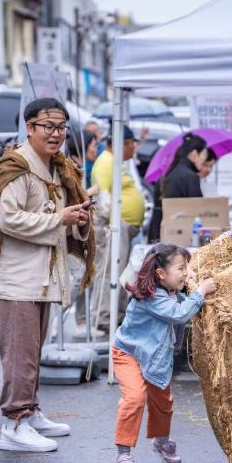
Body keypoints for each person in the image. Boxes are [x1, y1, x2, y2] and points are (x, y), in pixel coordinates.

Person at [0, 98, 95, 453]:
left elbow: (60, 220)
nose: (56, 134)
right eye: (48, 127)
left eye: (61, 127)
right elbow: (6, 219)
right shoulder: (14, 167)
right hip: (16, 280)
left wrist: (77, 218)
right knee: (19, 355)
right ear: (29, 128)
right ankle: (13, 423)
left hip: (42, 277)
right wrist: (58, 219)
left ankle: (29, 413)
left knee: (32, 351)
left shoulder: (60, 168)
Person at [110, 243, 217, 463]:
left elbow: (179, 300)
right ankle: (123, 454)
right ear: (161, 274)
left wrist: (191, 280)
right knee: (135, 397)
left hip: (155, 357)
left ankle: (161, 441)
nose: (185, 273)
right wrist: (200, 292)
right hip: (128, 354)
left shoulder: (170, 290)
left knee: (163, 401)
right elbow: (179, 314)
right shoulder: (151, 297)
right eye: (181, 268)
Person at [87, 124, 145, 331]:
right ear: (124, 144)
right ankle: (104, 318)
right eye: (132, 145)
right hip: (114, 225)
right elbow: (102, 196)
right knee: (111, 270)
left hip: (122, 226)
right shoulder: (106, 162)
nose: (134, 149)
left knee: (121, 272)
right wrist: (114, 223)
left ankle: (117, 315)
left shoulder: (116, 162)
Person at [147, 133, 209, 242]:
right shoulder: (190, 176)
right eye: (203, 155)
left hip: (160, 232)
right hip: (181, 236)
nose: (204, 160)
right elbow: (199, 209)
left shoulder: (170, 173)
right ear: (194, 154)